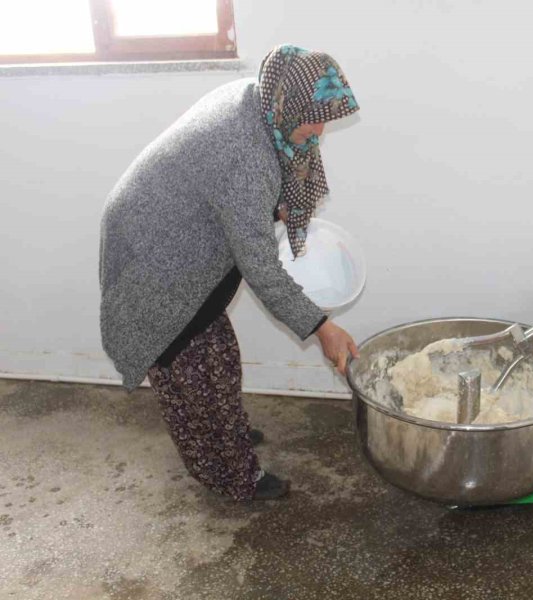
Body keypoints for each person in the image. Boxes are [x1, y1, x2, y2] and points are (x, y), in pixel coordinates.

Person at [98, 45, 360, 501]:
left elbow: (248, 206)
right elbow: (259, 265)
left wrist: (273, 210)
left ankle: (225, 433)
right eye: (312, 117)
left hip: (174, 232)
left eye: (326, 117)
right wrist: (322, 327)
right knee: (198, 367)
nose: (319, 130)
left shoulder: (259, 101)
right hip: (154, 257)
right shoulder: (244, 156)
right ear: (287, 102)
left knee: (208, 365)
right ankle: (231, 473)